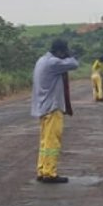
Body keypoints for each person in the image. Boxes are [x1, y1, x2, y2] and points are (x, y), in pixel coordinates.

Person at [31, 39, 79, 184]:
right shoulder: (53, 63)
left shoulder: (41, 60)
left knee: (45, 141)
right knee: (53, 142)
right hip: (52, 108)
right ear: (60, 52)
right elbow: (74, 64)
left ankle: (42, 169)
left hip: (43, 107)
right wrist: (70, 56)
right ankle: (50, 173)